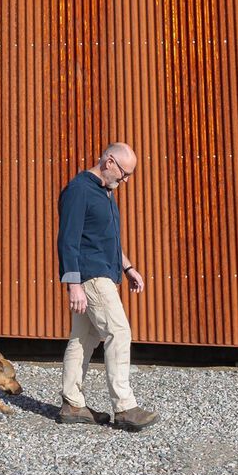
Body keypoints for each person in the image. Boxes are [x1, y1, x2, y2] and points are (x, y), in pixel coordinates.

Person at [56, 141, 158, 431]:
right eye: (124, 174)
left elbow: (106, 240)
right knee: (119, 331)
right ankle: (125, 408)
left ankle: (72, 403)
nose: (124, 181)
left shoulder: (104, 194)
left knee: (82, 339)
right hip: (91, 277)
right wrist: (73, 284)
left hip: (104, 272)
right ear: (109, 162)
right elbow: (68, 240)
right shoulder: (79, 190)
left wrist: (128, 267)